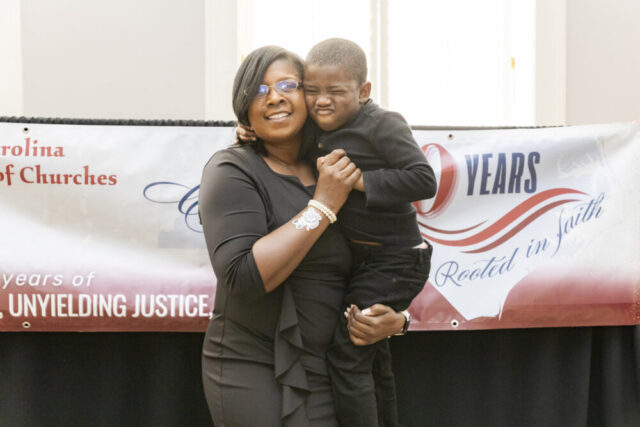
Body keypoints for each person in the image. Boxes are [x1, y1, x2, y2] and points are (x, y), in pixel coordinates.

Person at [199, 45, 406, 427]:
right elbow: (242, 276)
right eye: (259, 91)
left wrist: (399, 318)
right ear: (244, 107)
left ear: (310, 96)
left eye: (287, 85)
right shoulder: (232, 170)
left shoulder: (339, 165)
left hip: (339, 368)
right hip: (256, 366)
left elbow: (391, 252)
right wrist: (323, 205)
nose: (274, 97)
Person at [238, 38, 437, 427]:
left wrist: (358, 181)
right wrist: (251, 133)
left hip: (394, 260)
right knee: (370, 351)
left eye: (336, 91)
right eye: (312, 90)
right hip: (365, 261)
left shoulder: (383, 123)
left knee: (348, 355)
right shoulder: (317, 126)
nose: (321, 101)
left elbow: (423, 179)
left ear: (363, 91)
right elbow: (281, 133)